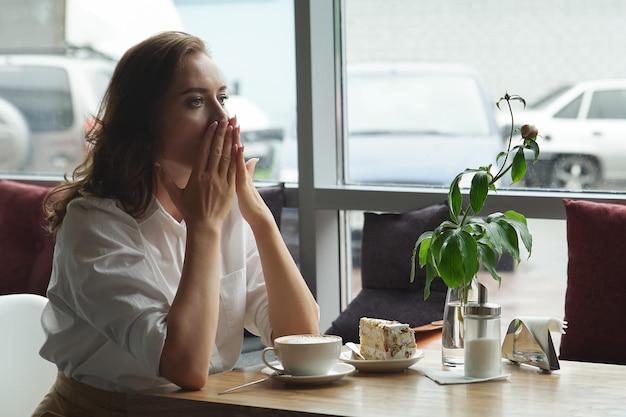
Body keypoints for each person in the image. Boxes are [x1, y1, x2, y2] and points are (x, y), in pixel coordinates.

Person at [32, 31, 320, 417]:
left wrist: (261, 220)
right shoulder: (95, 224)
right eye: (196, 102)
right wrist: (204, 228)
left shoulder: (227, 208)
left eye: (222, 98)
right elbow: (185, 367)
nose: (221, 118)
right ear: (145, 122)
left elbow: (301, 339)